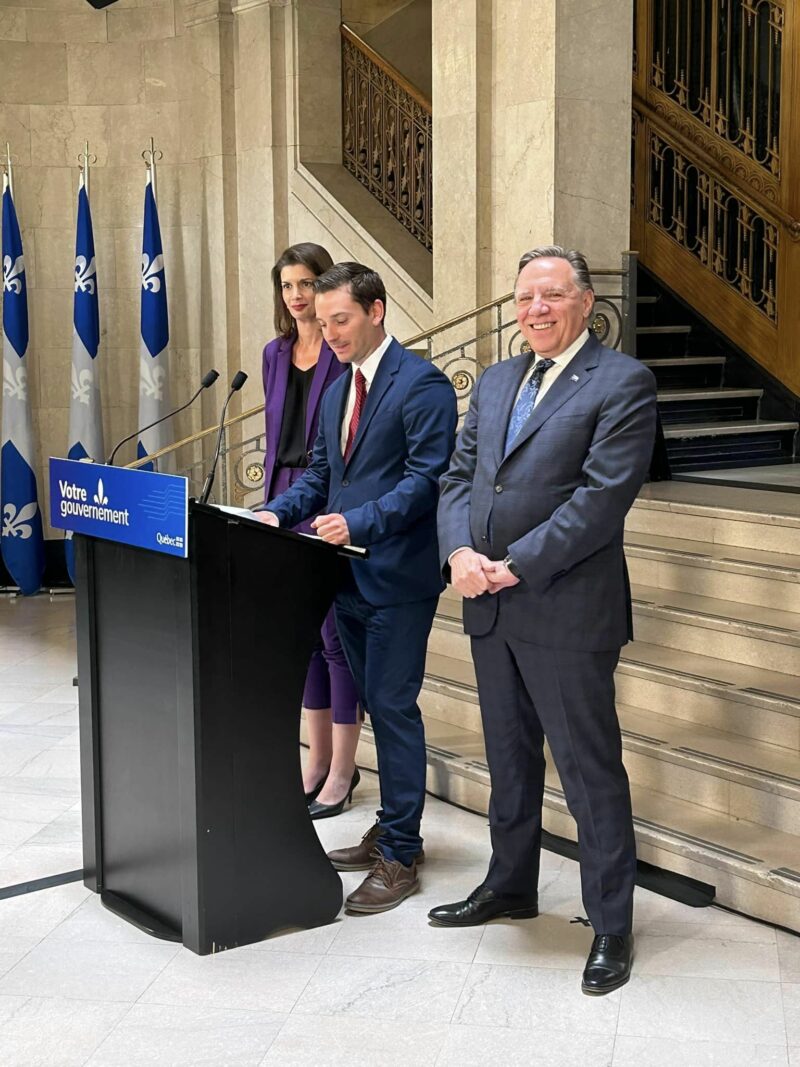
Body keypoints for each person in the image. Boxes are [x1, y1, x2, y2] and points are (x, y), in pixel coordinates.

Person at [430, 246, 657, 995]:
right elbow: (461, 475)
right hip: (489, 602)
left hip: (565, 607)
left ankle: (611, 923)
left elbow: (599, 500)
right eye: (525, 297)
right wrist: (459, 550)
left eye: (551, 295)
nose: (535, 310)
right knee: (509, 759)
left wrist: (515, 561)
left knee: (590, 771)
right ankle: (510, 883)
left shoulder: (622, 383)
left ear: (586, 302)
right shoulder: (495, 380)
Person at [258, 262, 457, 913]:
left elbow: (426, 481)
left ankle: (400, 852)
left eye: (339, 319)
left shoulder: (422, 384)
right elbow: (321, 475)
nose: (328, 332)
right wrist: (275, 513)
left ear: (375, 311)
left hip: (398, 578)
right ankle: (392, 829)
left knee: (394, 706)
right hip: (343, 577)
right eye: (320, 321)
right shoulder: (338, 384)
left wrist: (359, 521)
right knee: (375, 702)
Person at [262, 242, 361, 818]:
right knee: (301, 639)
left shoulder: (343, 349)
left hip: (331, 498)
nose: (296, 296)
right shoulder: (275, 353)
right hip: (286, 497)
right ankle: (315, 760)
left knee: (334, 637)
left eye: (306, 284)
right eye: (287, 286)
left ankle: (344, 769)